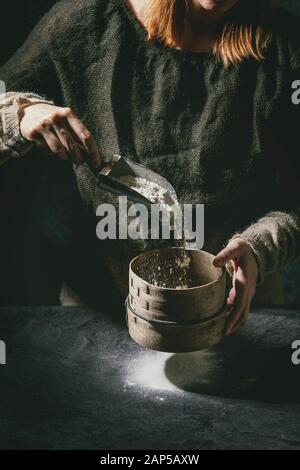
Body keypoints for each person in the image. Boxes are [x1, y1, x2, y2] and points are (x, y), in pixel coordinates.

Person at [0, 0, 299, 334]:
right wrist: (21, 115)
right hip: (101, 317)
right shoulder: (84, 22)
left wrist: (261, 247)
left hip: (232, 315)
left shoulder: (284, 48)